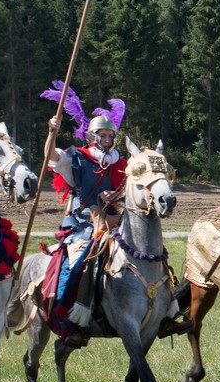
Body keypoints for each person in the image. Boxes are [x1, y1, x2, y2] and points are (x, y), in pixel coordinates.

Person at [42, 84, 192, 342]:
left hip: (119, 220)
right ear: (92, 137)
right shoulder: (77, 158)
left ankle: (165, 315)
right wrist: (51, 133)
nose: (108, 140)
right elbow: (50, 156)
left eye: (111, 136)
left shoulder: (122, 164)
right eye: (103, 136)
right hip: (85, 223)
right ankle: (75, 319)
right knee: (82, 262)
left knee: (155, 254)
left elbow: (133, 191)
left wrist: (118, 197)